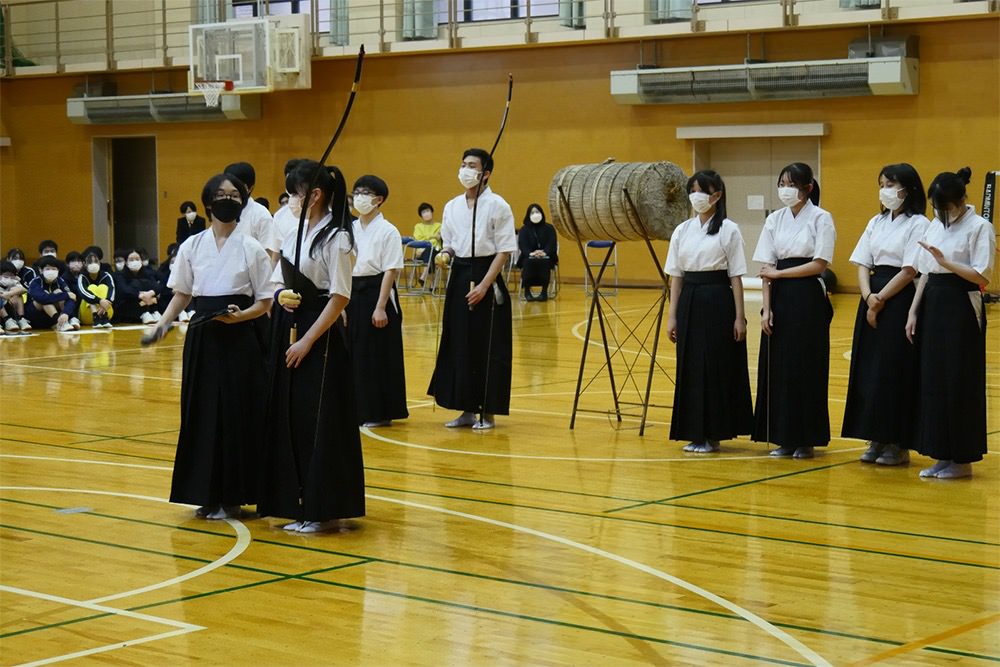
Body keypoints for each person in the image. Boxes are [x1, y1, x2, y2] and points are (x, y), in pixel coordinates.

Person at [145, 173, 273, 519]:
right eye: (221, 194)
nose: (228, 199)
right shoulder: (192, 246)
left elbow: (265, 302)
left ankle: (238, 494)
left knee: (238, 413)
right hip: (204, 335)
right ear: (207, 202)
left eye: (234, 194)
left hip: (243, 334)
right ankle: (207, 493)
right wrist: (162, 324)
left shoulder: (252, 247)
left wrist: (240, 316)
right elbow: (183, 293)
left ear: (242, 202)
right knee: (203, 413)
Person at [258, 160, 365, 533]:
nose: (289, 199)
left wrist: (306, 341)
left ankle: (323, 509)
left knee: (319, 419)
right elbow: (278, 280)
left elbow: (339, 297)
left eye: (294, 192)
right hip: (293, 322)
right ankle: (299, 500)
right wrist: (280, 294)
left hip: (319, 336)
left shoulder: (338, 237)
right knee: (294, 418)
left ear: (315, 195)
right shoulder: (295, 232)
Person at [905, 167, 994, 479]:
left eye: (946, 206)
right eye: (937, 207)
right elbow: (926, 271)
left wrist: (947, 262)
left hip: (961, 302)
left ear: (961, 200)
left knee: (959, 379)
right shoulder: (934, 224)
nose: (942, 213)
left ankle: (963, 459)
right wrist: (914, 311)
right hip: (933, 300)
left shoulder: (980, 226)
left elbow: (981, 275)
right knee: (934, 379)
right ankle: (941, 453)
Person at [842, 164, 928, 466]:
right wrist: (868, 297)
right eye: (882, 184)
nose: (885, 190)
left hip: (899, 297)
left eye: (891, 184)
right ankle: (874, 437)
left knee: (894, 370)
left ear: (908, 188)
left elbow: (910, 269)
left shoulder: (919, 223)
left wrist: (881, 299)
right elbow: (863, 262)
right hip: (873, 293)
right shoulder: (875, 222)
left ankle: (897, 442)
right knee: (870, 370)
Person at [664, 170, 753, 453]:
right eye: (693, 190)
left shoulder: (729, 229)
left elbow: (736, 276)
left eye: (702, 190)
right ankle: (695, 433)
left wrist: (740, 317)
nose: (696, 196)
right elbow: (676, 276)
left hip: (717, 300)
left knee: (714, 365)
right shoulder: (682, 230)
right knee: (690, 365)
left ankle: (714, 433)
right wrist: (672, 315)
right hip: (689, 298)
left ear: (717, 196)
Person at [428, 148, 516, 431]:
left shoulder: (498, 205)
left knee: (486, 345)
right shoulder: (452, 205)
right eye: (463, 164)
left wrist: (483, 286)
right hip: (460, 273)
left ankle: (487, 412)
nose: (465, 169)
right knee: (460, 342)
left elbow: (503, 251)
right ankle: (465, 409)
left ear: (485, 173)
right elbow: (451, 242)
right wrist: (445, 254)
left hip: (486, 275)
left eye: (472, 166)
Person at [753, 162, 835, 459]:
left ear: (808, 188)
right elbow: (766, 266)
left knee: (805, 367)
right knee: (780, 367)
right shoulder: (775, 219)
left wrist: (780, 275)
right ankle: (782, 436)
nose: (785, 189)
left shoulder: (822, 218)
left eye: (791, 184)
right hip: (779, 297)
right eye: (782, 183)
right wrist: (766, 309)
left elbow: (819, 264)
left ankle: (806, 438)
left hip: (807, 297)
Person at [348, 175, 408, 428]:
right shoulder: (349, 229)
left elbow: (391, 270)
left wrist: (381, 306)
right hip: (352, 290)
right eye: (357, 191)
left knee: (378, 354)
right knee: (356, 353)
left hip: (377, 291)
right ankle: (359, 408)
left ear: (378, 199)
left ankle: (381, 411)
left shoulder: (388, 230)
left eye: (366, 192)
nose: (359, 197)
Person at [224, 161, 280, 263]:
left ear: (250, 188)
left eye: (236, 186)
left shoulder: (261, 215)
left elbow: (268, 254)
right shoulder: (222, 211)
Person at [516, 203, 558, 301]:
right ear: (528, 215)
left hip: (547, 257)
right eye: (532, 212)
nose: (535, 214)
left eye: (537, 212)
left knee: (544, 262)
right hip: (529, 257)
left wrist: (545, 253)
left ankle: (544, 292)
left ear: (541, 213)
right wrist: (531, 253)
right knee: (528, 262)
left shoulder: (549, 228)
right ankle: (527, 291)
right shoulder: (524, 229)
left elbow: (552, 243)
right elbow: (522, 244)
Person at [25, 256, 79, 331]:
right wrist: (65, 295)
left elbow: (71, 298)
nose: (51, 271)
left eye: (54, 269)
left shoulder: (60, 281)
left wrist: (65, 313)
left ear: (58, 271)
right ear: (41, 270)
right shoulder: (35, 282)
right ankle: (60, 323)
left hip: (53, 317)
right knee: (45, 299)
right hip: (36, 317)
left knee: (58, 291)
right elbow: (42, 298)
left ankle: (67, 320)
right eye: (48, 269)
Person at [114, 249, 164, 324]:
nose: (135, 261)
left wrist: (150, 293)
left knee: (147, 283)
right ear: (126, 263)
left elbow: (157, 286)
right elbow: (125, 290)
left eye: (137, 259)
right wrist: (140, 295)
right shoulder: (120, 275)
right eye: (131, 259)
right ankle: (144, 313)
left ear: (141, 261)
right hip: (128, 305)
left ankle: (154, 312)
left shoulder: (147, 273)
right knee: (136, 283)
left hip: (148, 302)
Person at [77, 249, 116, 328]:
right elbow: (83, 292)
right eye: (90, 262)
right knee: (92, 287)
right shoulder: (82, 277)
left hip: (107, 310)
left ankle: (104, 316)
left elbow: (112, 289)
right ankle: (95, 317)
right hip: (87, 314)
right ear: (85, 264)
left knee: (103, 287)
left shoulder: (106, 275)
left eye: (96, 261)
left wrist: (107, 301)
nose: (93, 264)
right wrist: (99, 301)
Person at [412, 202, 442, 287]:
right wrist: (433, 237)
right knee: (430, 251)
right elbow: (418, 239)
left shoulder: (439, 226)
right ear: (421, 215)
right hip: (421, 252)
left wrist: (426, 239)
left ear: (432, 212)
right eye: (423, 212)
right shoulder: (418, 226)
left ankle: (423, 276)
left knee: (431, 250)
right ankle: (433, 284)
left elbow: (438, 240)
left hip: (435, 251)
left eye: (428, 211)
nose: (426, 214)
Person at [0, 260, 30, 333]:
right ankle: (7, 320)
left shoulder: (13, 281)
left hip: (10, 306)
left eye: (12, 275)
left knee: (18, 295)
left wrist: (9, 294)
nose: (9, 278)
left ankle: (21, 319)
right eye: (6, 275)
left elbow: (23, 290)